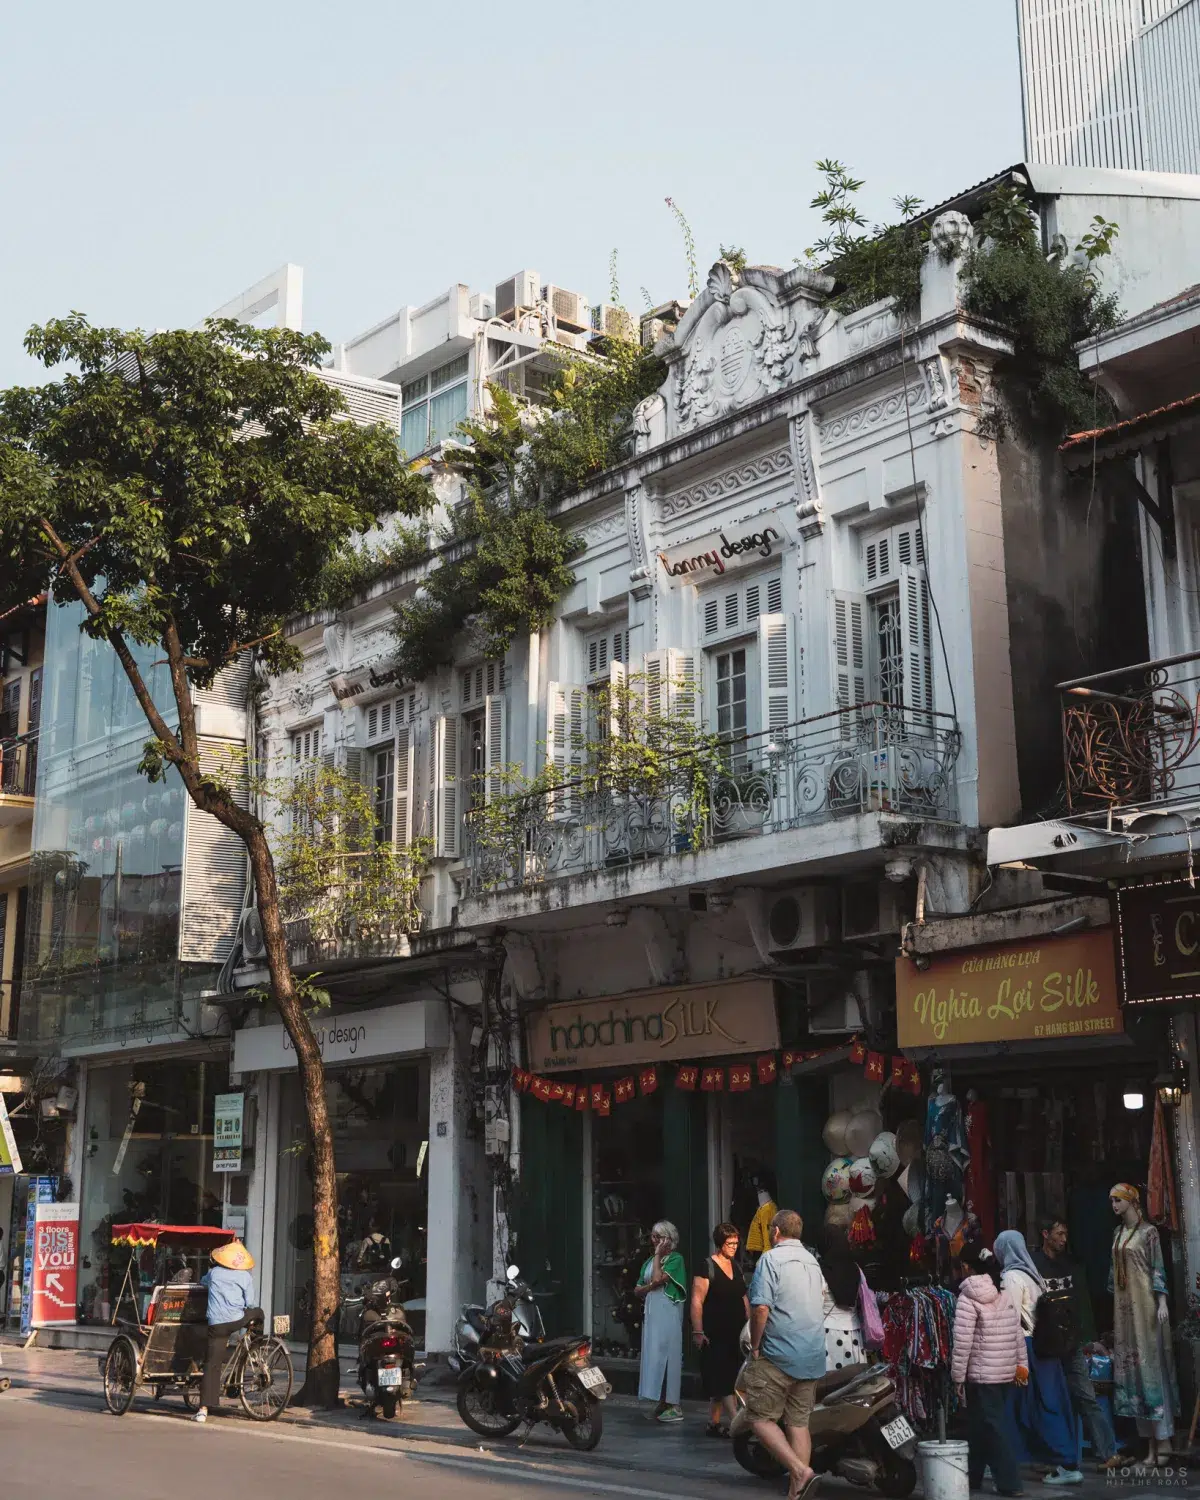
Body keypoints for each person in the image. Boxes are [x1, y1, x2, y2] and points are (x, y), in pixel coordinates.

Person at [744, 1210, 828, 1500]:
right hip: (812, 1354)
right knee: (798, 1423)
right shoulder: (813, 1261)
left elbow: (760, 1309)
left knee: (759, 1418)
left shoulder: (770, 1259)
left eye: (769, 1229)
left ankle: (800, 1471)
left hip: (778, 1354)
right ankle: (797, 1493)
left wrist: (755, 1345)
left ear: (776, 1231)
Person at [995, 1230, 1081, 1484]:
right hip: (1043, 1347)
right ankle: (1041, 1458)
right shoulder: (1033, 1275)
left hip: (1026, 1347)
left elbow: (1010, 1317)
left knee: (1034, 1404)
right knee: (1046, 1401)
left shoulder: (1011, 1277)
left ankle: (1064, 1462)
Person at [1033, 1217, 1118, 1473]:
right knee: (1047, 1401)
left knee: (1086, 1397)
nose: (1063, 1239)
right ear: (1045, 1234)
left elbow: (1079, 1304)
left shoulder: (1070, 1265)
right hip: (1045, 1344)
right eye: (1058, 1234)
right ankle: (1049, 1457)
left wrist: (1086, 1338)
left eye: (1065, 1234)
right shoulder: (1034, 1265)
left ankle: (1107, 1453)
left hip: (1071, 1343)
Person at [952, 1243, 1027, 1498]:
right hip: (1004, 1372)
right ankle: (972, 1477)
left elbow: (963, 1343)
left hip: (983, 1375)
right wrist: (1021, 1366)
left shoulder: (967, 1297)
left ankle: (1010, 1482)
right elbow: (1017, 1333)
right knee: (979, 1425)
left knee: (992, 1427)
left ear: (965, 1267)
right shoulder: (1003, 1291)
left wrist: (956, 1378)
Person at [690, 1221, 749, 1436]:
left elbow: (744, 1298)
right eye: (729, 1243)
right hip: (715, 1332)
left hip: (736, 1332)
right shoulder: (707, 1266)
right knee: (724, 1380)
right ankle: (737, 1425)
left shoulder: (737, 1267)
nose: (733, 1246)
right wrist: (698, 1331)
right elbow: (697, 1300)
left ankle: (713, 1423)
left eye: (736, 1243)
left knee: (728, 1377)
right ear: (719, 1243)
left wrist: (749, 1326)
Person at [194, 1239, 260, 1424]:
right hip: (237, 1321)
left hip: (217, 1325)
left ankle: (203, 1409)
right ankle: (254, 1346)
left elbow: (202, 1283)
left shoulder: (213, 1274)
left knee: (212, 1364)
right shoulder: (245, 1276)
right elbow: (250, 1303)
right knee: (258, 1313)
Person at [635, 1221, 687, 1424]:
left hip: (668, 1314)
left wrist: (657, 1256)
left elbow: (657, 1279)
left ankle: (674, 1403)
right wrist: (650, 1286)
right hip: (652, 1314)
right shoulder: (649, 1261)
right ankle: (662, 1400)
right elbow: (638, 1288)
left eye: (659, 1237)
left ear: (668, 1239)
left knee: (670, 1355)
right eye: (653, 1236)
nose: (654, 1240)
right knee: (654, 1355)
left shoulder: (676, 1259)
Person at [820, 1226, 866, 1371]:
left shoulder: (821, 1270)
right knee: (854, 1383)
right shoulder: (856, 1268)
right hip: (854, 1333)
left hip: (829, 1333)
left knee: (832, 1383)